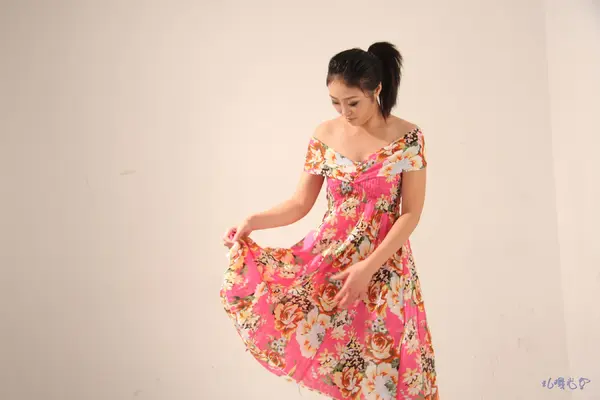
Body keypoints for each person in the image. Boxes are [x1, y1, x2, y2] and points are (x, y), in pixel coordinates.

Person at [220, 41, 439, 400]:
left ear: (376, 90)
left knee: (382, 368)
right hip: (332, 260)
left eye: (352, 102)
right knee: (341, 366)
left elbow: (411, 213)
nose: (344, 112)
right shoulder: (324, 135)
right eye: (335, 102)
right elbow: (299, 203)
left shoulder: (408, 138)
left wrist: (368, 267)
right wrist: (252, 221)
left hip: (385, 266)